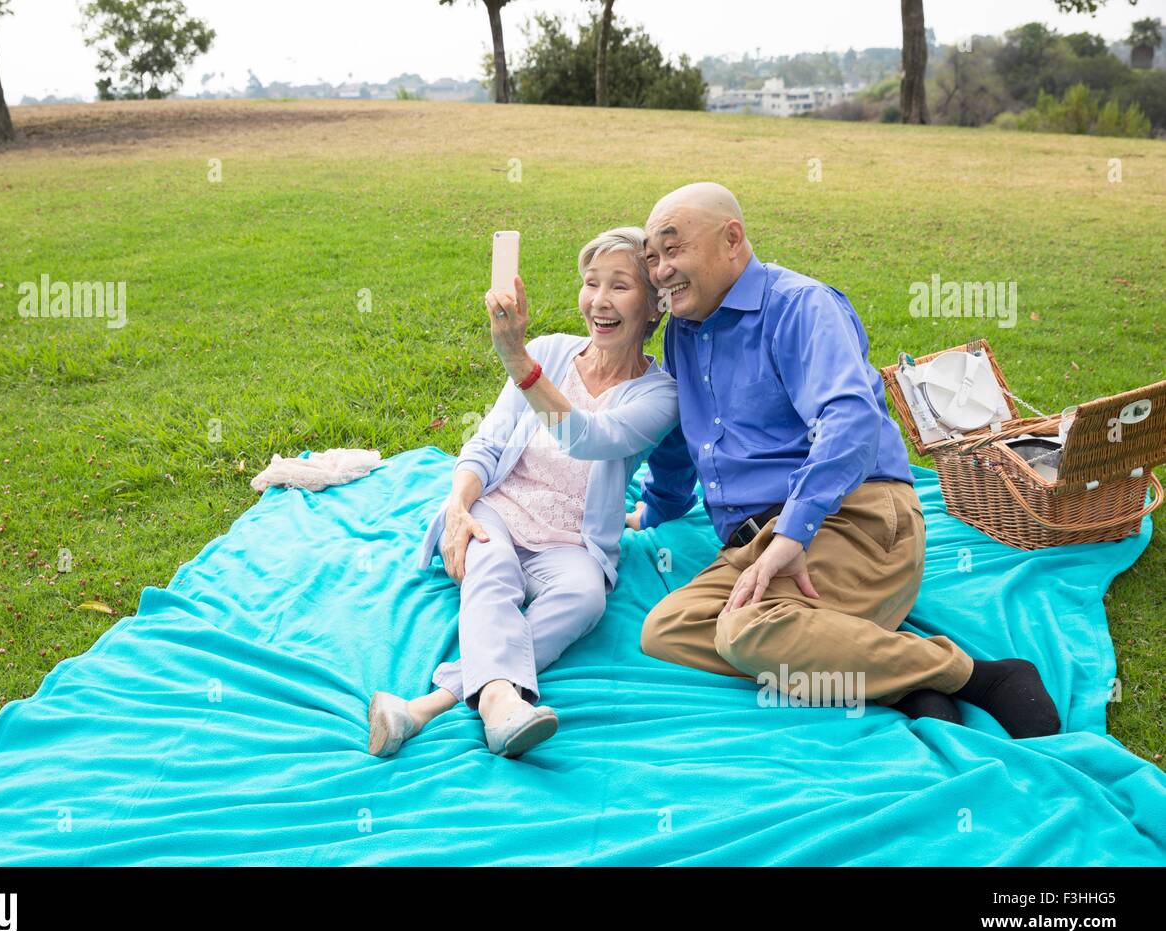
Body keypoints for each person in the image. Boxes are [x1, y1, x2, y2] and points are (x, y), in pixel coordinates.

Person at [630, 182, 1061, 739]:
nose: (661, 270)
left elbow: (850, 421)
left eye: (673, 249)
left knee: (743, 633)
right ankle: (898, 676)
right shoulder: (684, 334)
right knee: (666, 628)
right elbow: (680, 435)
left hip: (852, 516)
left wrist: (793, 532)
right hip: (753, 541)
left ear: (731, 240)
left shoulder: (800, 307)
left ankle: (979, 677)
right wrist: (654, 508)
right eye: (652, 258)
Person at [368, 226, 680, 759]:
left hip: (571, 543)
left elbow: (588, 437)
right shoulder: (551, 352)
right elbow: (485, 446)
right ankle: (499, 705)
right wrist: (459, 508)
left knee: (584, 599)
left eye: (620, 287)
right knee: (489, 570)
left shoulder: (660, 394)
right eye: (591, 283)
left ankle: (430, 706)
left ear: (654, 307)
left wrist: (515, 359)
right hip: (502, 511)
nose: (599, 301)